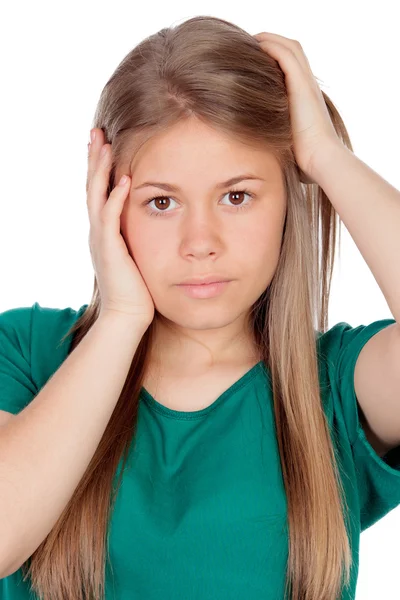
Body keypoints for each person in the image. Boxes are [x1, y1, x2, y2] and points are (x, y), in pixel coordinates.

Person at [0, 14, 400, 600]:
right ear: (107, 204)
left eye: (236, 196)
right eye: (162, 202)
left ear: (288, 200)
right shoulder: (29, 353)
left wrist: (323, 155)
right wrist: (120, 319)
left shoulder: (335, 387)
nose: (200, 241)